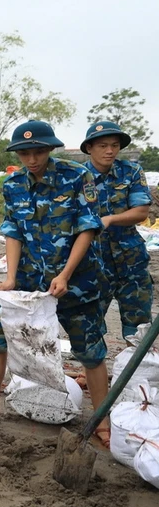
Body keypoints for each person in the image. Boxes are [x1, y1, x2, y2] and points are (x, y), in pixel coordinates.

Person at [0, 121, 112, 447]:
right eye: (25, 153)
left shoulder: (77, 177)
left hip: (76, 281)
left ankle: (102, 422)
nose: (31, 159)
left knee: (90, 351)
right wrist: (12, 277)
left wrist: (66, 275)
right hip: (28, 282)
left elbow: (87, 229)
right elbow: (12, 231)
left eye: (38, 151)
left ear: (50, 149)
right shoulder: (13, 184)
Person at [81, 120, 153, 341]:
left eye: (114, 145)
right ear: (89, 148)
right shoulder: (77, 176)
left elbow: (141, 211)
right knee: (89, 325)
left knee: (138, 324)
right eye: (103, 146)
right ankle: (93, 373)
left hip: (130, 258)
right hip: (92, 259)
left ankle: (138, 372)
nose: (110, 150)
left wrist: (110, 219)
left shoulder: (130, 171)